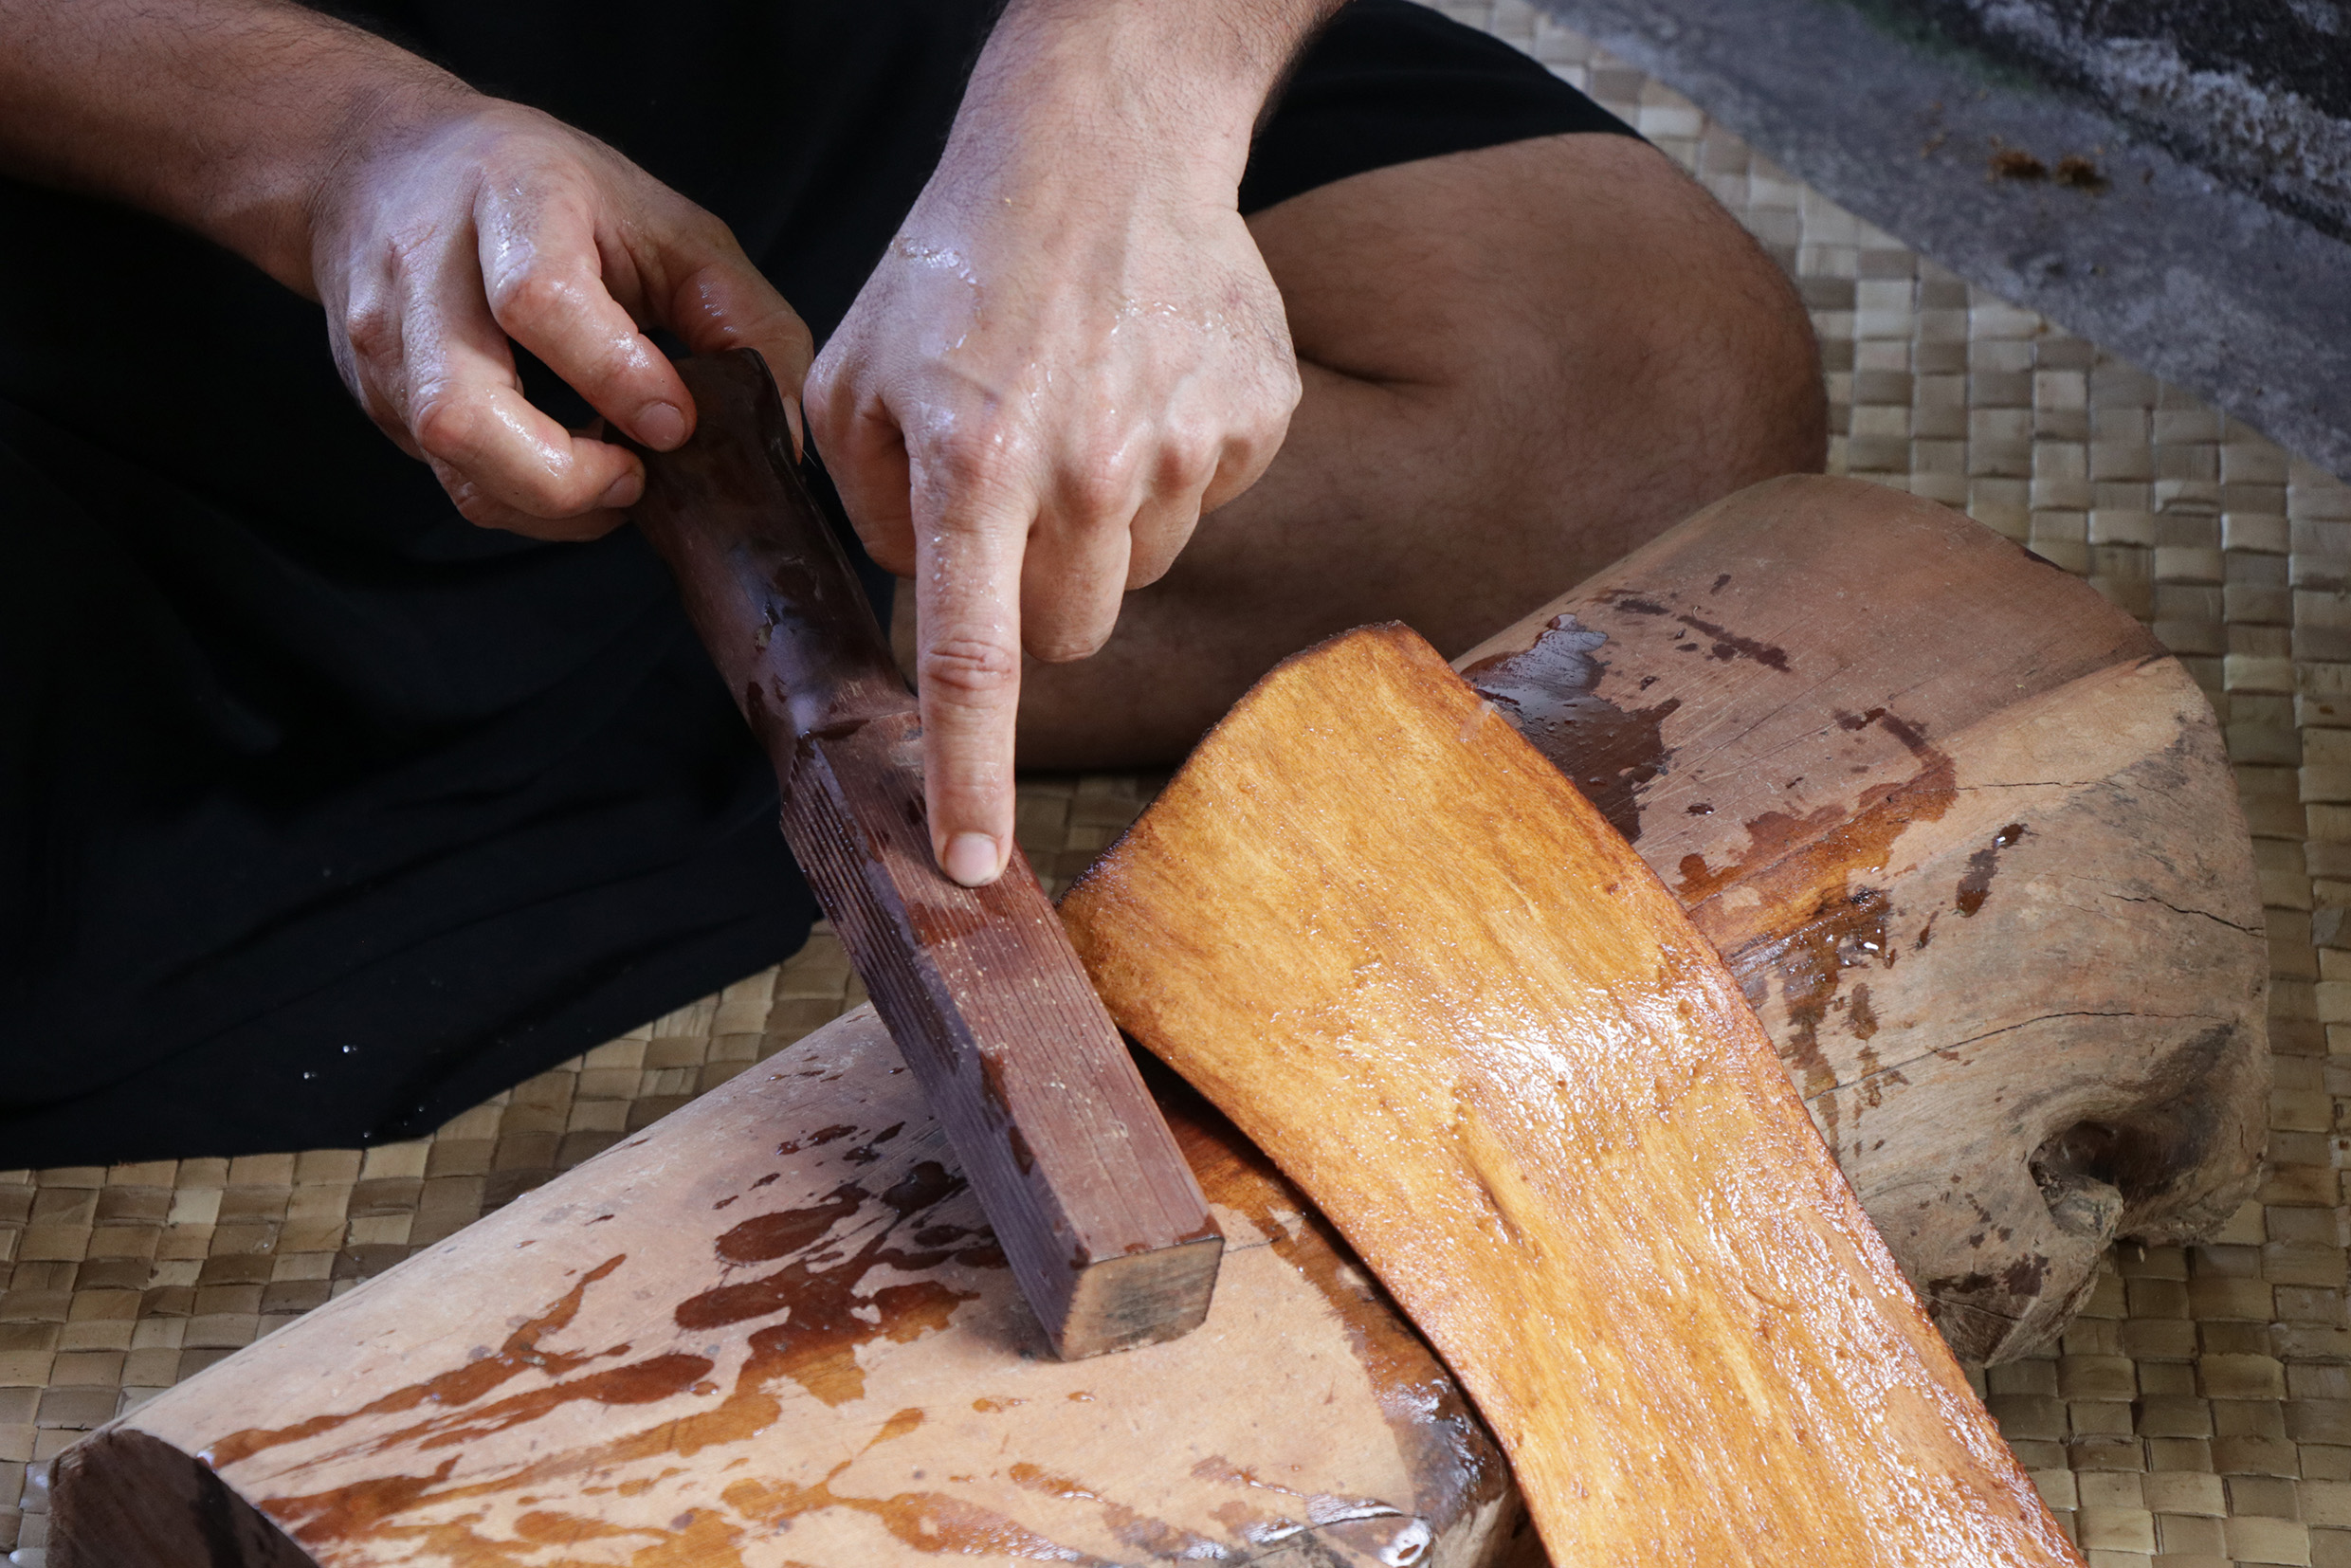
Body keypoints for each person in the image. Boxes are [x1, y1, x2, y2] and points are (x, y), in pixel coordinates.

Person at [0, 0, 1823, 1164]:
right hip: (141, 119)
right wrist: (339, 140)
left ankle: (763, 573)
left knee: (1645, 407)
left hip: (734, 42)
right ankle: (729, 582)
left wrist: (1118, 101)